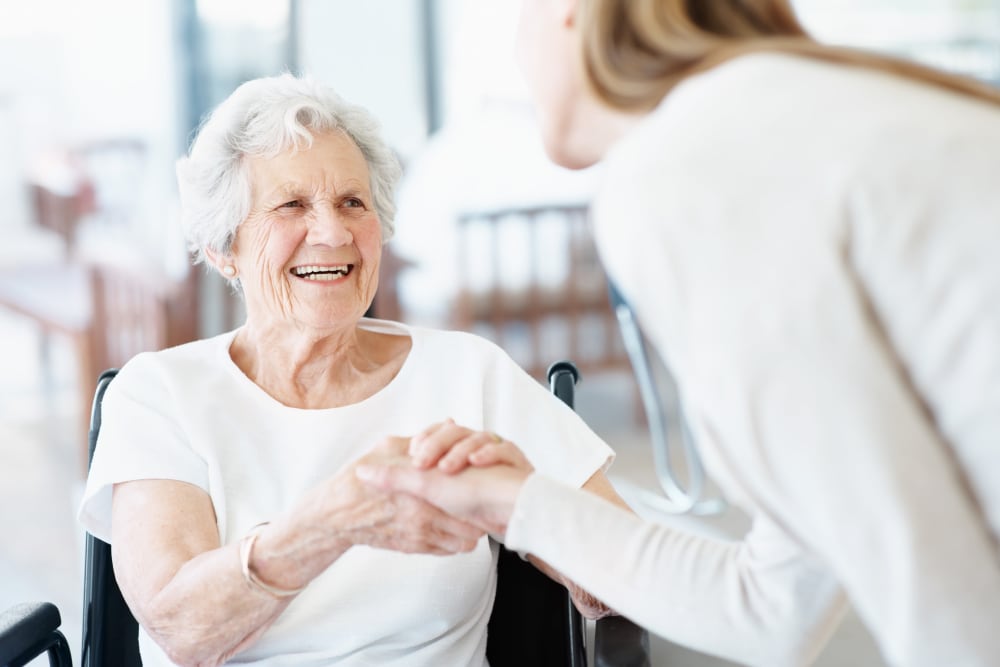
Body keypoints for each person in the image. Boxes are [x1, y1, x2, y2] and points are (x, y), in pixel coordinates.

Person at [357, 1, 1000, 666]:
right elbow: (775, 607)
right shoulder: (806, 111)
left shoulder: (689, 165)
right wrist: (514, 501)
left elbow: (943, 602)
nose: (515, 51)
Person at [76, 73, 630, 667]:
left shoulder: (469, 373)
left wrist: (526, 510)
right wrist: (332, 522)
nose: (333, 232)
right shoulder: (160, 393)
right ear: (222, 246)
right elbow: (182, 632)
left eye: (352, 203)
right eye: (291, 205)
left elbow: (626, 575)